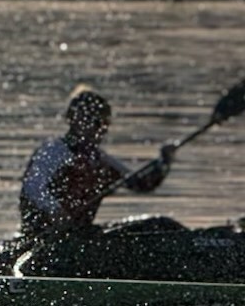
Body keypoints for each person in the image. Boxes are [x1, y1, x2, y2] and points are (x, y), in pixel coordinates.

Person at [18, 87, 180, 237]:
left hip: (80, 235)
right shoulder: (53, 151)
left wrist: (164, 161)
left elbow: (141, 183)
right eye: (95, 122)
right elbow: (32, 188)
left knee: (161, 225)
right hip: (44, 237)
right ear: (73, 119)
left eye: (104, 124)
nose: (100, 130)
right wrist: (56, 212)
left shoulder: (100, 160)